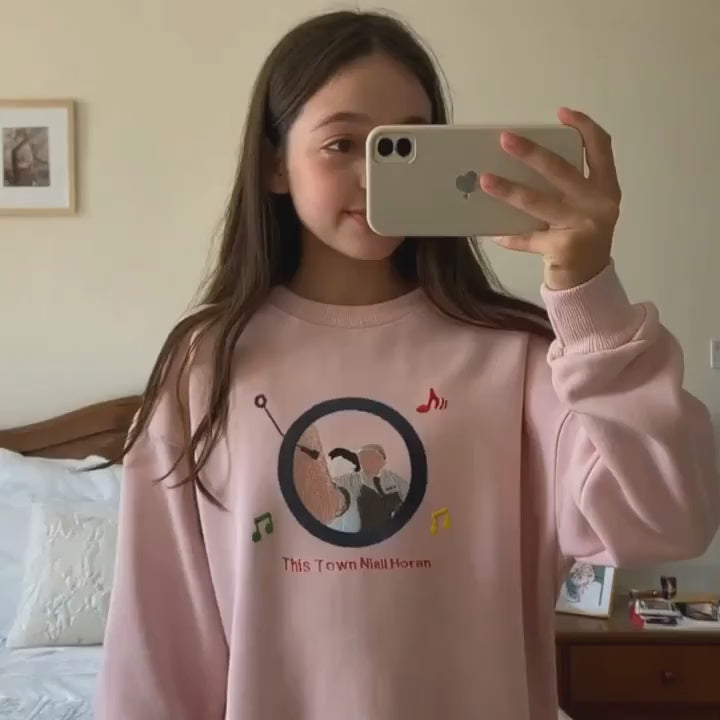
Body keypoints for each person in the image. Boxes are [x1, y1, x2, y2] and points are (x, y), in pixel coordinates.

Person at [94, 10, 720, 720]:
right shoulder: (206, 364)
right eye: (342, 143)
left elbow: (668, 522)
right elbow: (158, 640)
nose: (372, 175)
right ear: (274, 163)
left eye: (405, 145)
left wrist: (587, 291)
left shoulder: (520, 357)